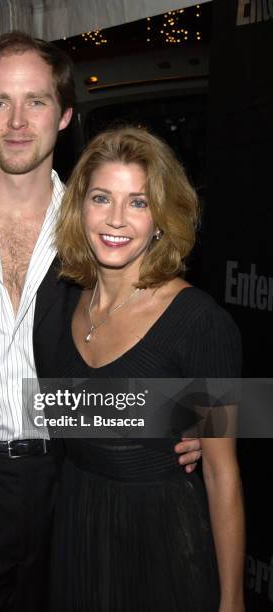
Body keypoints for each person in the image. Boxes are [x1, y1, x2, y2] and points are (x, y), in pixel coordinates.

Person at [0, 32, 202, 612]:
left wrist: (202, 418)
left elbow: (166, 334)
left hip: (72, 484)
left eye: (37, 101)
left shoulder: (102, 229)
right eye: (1, 101)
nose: (18, 121)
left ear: (65, 114)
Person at [52, 126, 245, 612]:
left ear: (161, 217)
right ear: (80, 208)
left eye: (138, 202)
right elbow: (69, 414)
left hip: (162, 548)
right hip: (75, 535)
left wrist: (232, 601)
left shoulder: (201, 323)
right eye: (101, 198)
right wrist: (156, 414)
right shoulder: (59, 307)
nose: (116, 219)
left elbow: (223, 473)